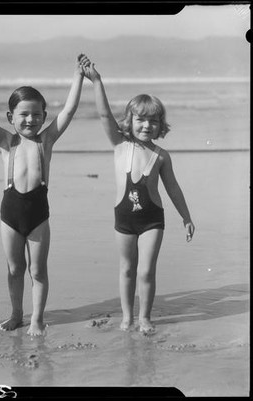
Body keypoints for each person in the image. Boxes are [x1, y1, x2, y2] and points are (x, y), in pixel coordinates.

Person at [0, 54, 90, 336]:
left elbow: (69, 111)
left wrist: (78, 76)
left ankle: (36, 318)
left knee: (38, 271)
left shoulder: (46, 140)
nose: (31, 119)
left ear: (44, 117)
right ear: (11, 118)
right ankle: (16, 314)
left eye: (37, 114)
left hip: (38, 216)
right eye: (24, 114)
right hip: (10, 214)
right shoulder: (6, 141)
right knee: (14, 269)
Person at [82, 58, 195, 333]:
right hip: (123, 219)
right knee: (127, 270)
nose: (146, 125)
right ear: (130, 121)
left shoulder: (161, 156)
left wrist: (186, 216)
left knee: (146, 271)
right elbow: (104, 115)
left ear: (160, 125)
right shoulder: (119, 145)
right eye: (140, 119)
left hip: (152, 220)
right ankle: (126, 317)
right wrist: (97, 81)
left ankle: (144, 317)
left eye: (153, 121)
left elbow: (173, 188)